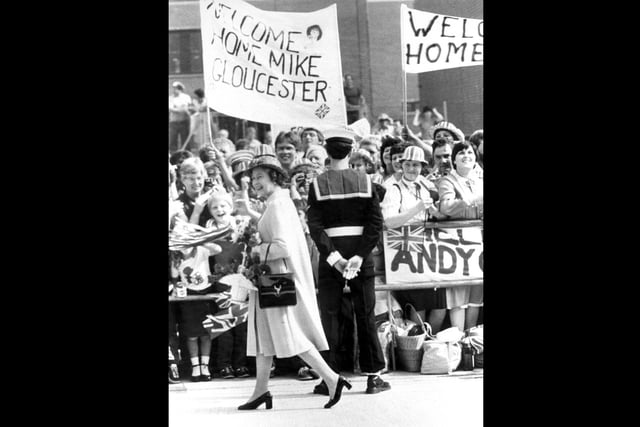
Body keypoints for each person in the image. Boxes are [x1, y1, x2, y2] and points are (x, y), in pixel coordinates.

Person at [233, 146, 351, 410]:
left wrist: (254, 249)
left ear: (274, 176)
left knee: (289, 336)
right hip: (272, 280)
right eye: (253, 180)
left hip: (278, 282)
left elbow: (283, 247)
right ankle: (260, 391)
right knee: (264, 337)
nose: (255, 184)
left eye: (260, 178)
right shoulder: (277, 203)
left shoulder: (277, 205)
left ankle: (332, 378)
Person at [307, 129, 390, 396]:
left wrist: (335, 258)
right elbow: (375, 223)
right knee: (365, 314)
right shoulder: (367, 182)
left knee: (329, 317)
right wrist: (359, 256)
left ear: (327, 153)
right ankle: (373, 377)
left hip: (331, 259)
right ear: (350, 151)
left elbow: (315, 226)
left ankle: (329, 377)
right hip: (359, 257)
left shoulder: (317, 185)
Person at [379, 146, 448, 332]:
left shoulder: (427, 185)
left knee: (440, 307)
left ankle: (430, 346)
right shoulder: (392, 188)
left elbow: (438, 215)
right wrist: (416, 209)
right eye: (407, 164)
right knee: (419, 310)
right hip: (406, 251)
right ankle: (416, 351)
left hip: (430, 253)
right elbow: (388, 221)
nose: (411, 169)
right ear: (401, 165)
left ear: (422, 166)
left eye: (416, 165)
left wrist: (435, 213)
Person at [437, 142, 484, 331]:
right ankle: (458, 343)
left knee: (475, 295)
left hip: (478, 242)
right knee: (458, 295)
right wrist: (473, 200)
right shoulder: (447, 181)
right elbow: (446, 207)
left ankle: (470, 343)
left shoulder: (480, 180)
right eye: (461, 152)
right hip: (455, 243)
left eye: (470, 152)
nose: (466, 155)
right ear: (454, 159)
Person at [169, 82, 192, 153]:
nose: (175, 90)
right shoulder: (170, 98)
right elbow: (171, 109)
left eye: (177, 89)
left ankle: (186, 155)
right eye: (174, 88)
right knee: (172, 140)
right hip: (173, 122)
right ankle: (173, 156)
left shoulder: (186, 97)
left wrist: (177, 108)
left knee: (185, 140)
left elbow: (186, 109)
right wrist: (181, 108)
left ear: (181, 89)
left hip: (184, 122)